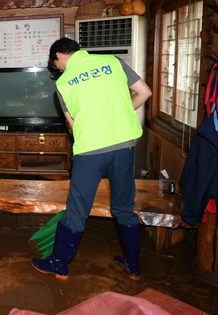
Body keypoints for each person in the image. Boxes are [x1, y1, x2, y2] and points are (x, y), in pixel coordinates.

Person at [31, 38, 152, 281]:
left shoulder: (64, 82)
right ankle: (133, 266)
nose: (59, 70)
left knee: (77, 209)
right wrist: (121, 113)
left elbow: (73, 126)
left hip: (90, 151)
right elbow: (145, 92)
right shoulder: (113, 62)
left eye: (56, 65)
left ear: (60, 56)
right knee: (124, 207)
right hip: (124, 146)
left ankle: (59, 263)